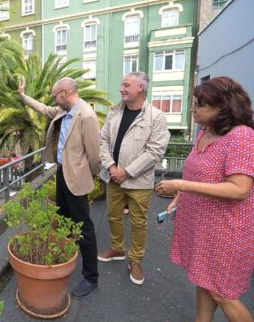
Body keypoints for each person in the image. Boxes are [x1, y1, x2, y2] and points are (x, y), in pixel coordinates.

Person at [156, 76, 254, 322]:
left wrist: (180, 185)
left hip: (225, 230)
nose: (193, 109)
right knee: (204, 279)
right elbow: (195, 170)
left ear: (222, 107)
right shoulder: (204, 132)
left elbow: (240, 189)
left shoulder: (241, 136)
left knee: (222, 293)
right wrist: (180, 197)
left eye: (199, 104)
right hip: (202, 225)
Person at [18, 76, 101, 297]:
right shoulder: (65, 111)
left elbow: (94, 156)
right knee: (63, 218)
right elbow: (44, 109)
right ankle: (64, 257)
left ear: (65, 92)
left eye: (56, 95)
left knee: (84, 228)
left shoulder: (86, 116)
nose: (54, 100)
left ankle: (91, 278)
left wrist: (87, 176)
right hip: (62, 173)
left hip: (77, 178)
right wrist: (23, 96)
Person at [98, 71, 170, 285]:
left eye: (126, 85)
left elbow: (156, 151)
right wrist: (111, 167)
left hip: (138, 181)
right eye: (122, 84)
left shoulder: (156, 116)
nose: (122, 88)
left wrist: (126, 172)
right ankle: (117, 249)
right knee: (113, 215)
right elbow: (103, 141)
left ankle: (136, 260)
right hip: (113, 177)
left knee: (138, 223)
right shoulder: (114, 111)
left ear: (141, 87)